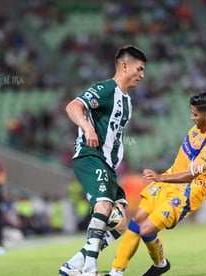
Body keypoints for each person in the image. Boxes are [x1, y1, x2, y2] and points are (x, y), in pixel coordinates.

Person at [105, 89, 206, 276]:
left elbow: (191, 175)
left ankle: (160, 265)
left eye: (195, 114)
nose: (191, 117)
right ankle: (116, 273)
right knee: (136, 221)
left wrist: (160, 177)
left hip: (188, 191)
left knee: (146, 229)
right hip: (170, 177)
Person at [59, 45, 147, 276]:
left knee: (120, 224)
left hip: (108, 165)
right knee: (104, 206)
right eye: (139, 69)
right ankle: (89, 268)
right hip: (90, 156)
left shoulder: (127, 102)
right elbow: (73, 106)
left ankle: (73, 264)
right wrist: (87, 127)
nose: (142, 75)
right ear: (124, 66)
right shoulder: (105, 88)